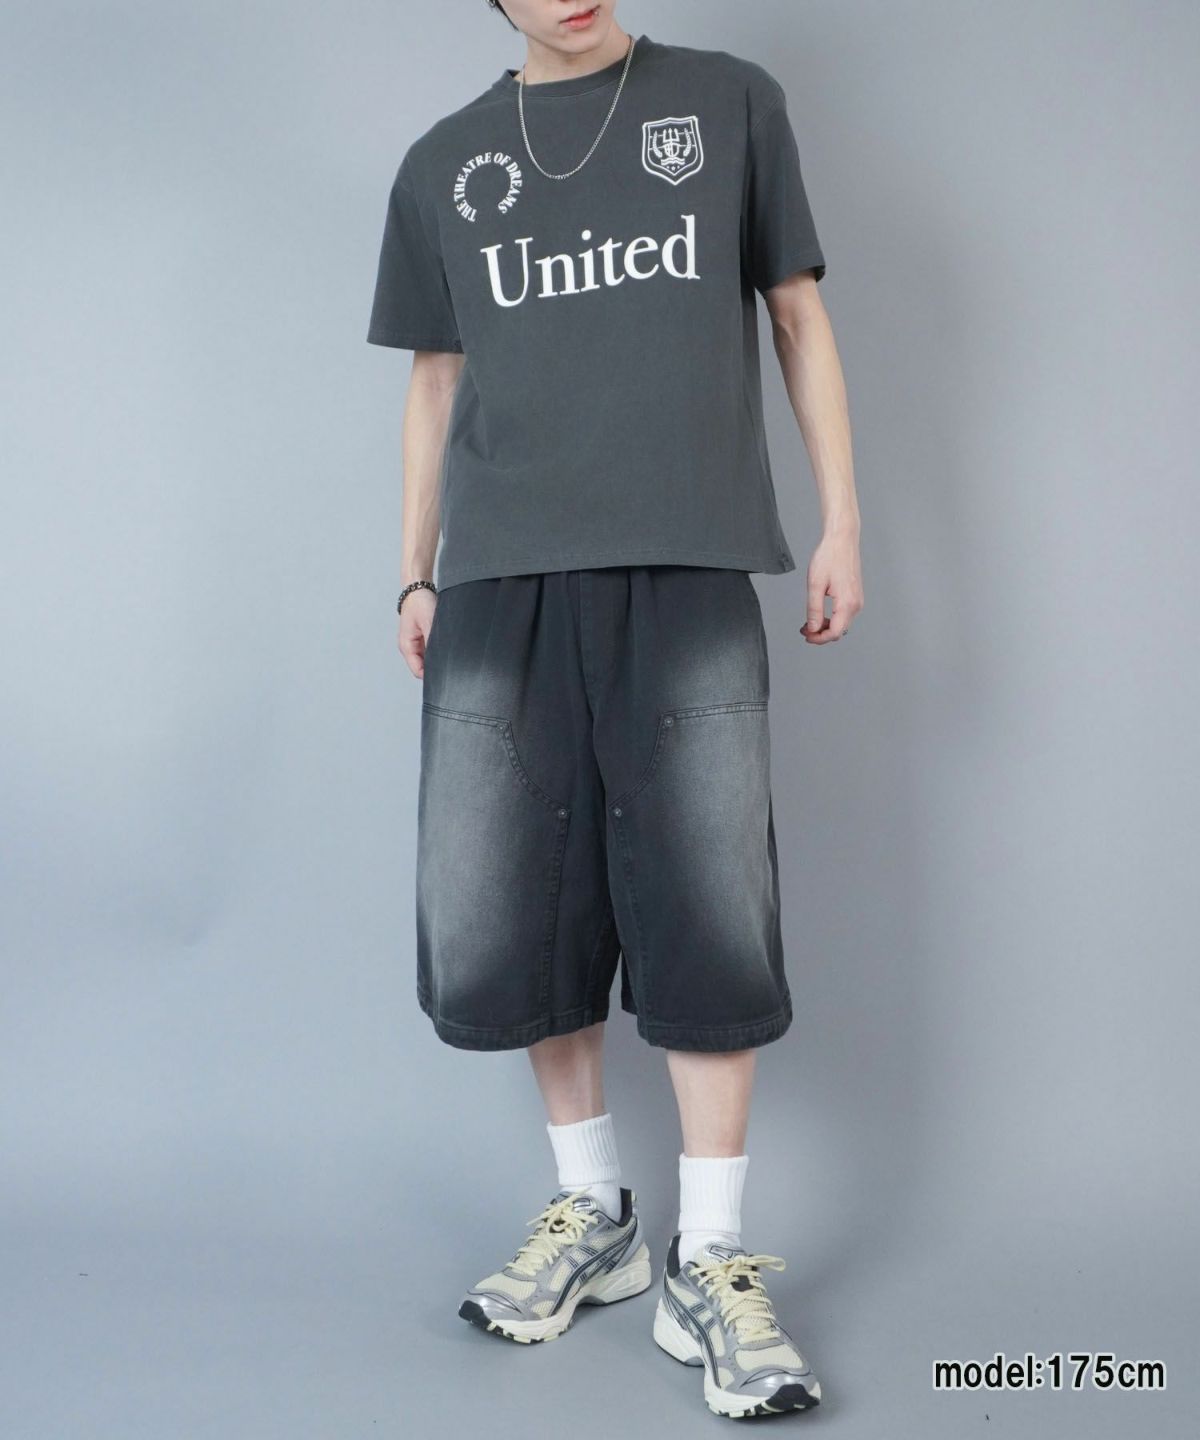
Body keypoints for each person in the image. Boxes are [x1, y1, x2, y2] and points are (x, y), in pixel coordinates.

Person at [366, 0, 862, 1419]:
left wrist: (843, 522)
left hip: (688, 560)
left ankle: (711, 1254)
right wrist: (413, 568)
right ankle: (595, 1213)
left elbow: (797, 313)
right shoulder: (445, 161)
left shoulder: (728, 103)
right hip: (502, 575)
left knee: (709, 894)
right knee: (517, 899)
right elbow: (436, 379)